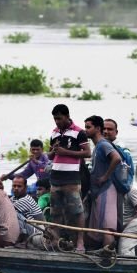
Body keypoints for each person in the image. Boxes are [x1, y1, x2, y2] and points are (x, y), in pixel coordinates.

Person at [48, 104, 91, 251]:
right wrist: (53, 151)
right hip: (55, 178)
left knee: (77, 211)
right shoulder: (54, 133)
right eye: (55, 119)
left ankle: (80, 242)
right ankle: (56, 241)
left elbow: (87, 153)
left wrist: (65, 152)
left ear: (67, 116)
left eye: (59, 118)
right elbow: (50, 155)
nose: (57, 122)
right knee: (55, 212)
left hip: (71, 179)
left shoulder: (79, 132)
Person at [85, 115, 123, 252]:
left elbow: (117, 158)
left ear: (97, 128)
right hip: (100, 191)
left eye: (88, 127)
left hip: (106, 189)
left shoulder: (103, 144)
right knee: (100, 227)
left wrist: (105, 177)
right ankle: (103, 253)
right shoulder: (98, 146)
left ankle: (108, 257)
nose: (86, 130)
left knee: (107, 228)